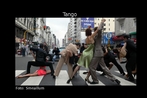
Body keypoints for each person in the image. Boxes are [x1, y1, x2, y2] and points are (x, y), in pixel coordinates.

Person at [88, 19, 120, 85]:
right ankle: (115, 79)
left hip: (97, 53)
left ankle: (95, 80)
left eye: (95, 30)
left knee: (91, 67)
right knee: (104, 67)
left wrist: (102, 22)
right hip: (100, 53)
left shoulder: (98, 35)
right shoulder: (95, 36)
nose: (95, 31)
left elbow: (99, 30)